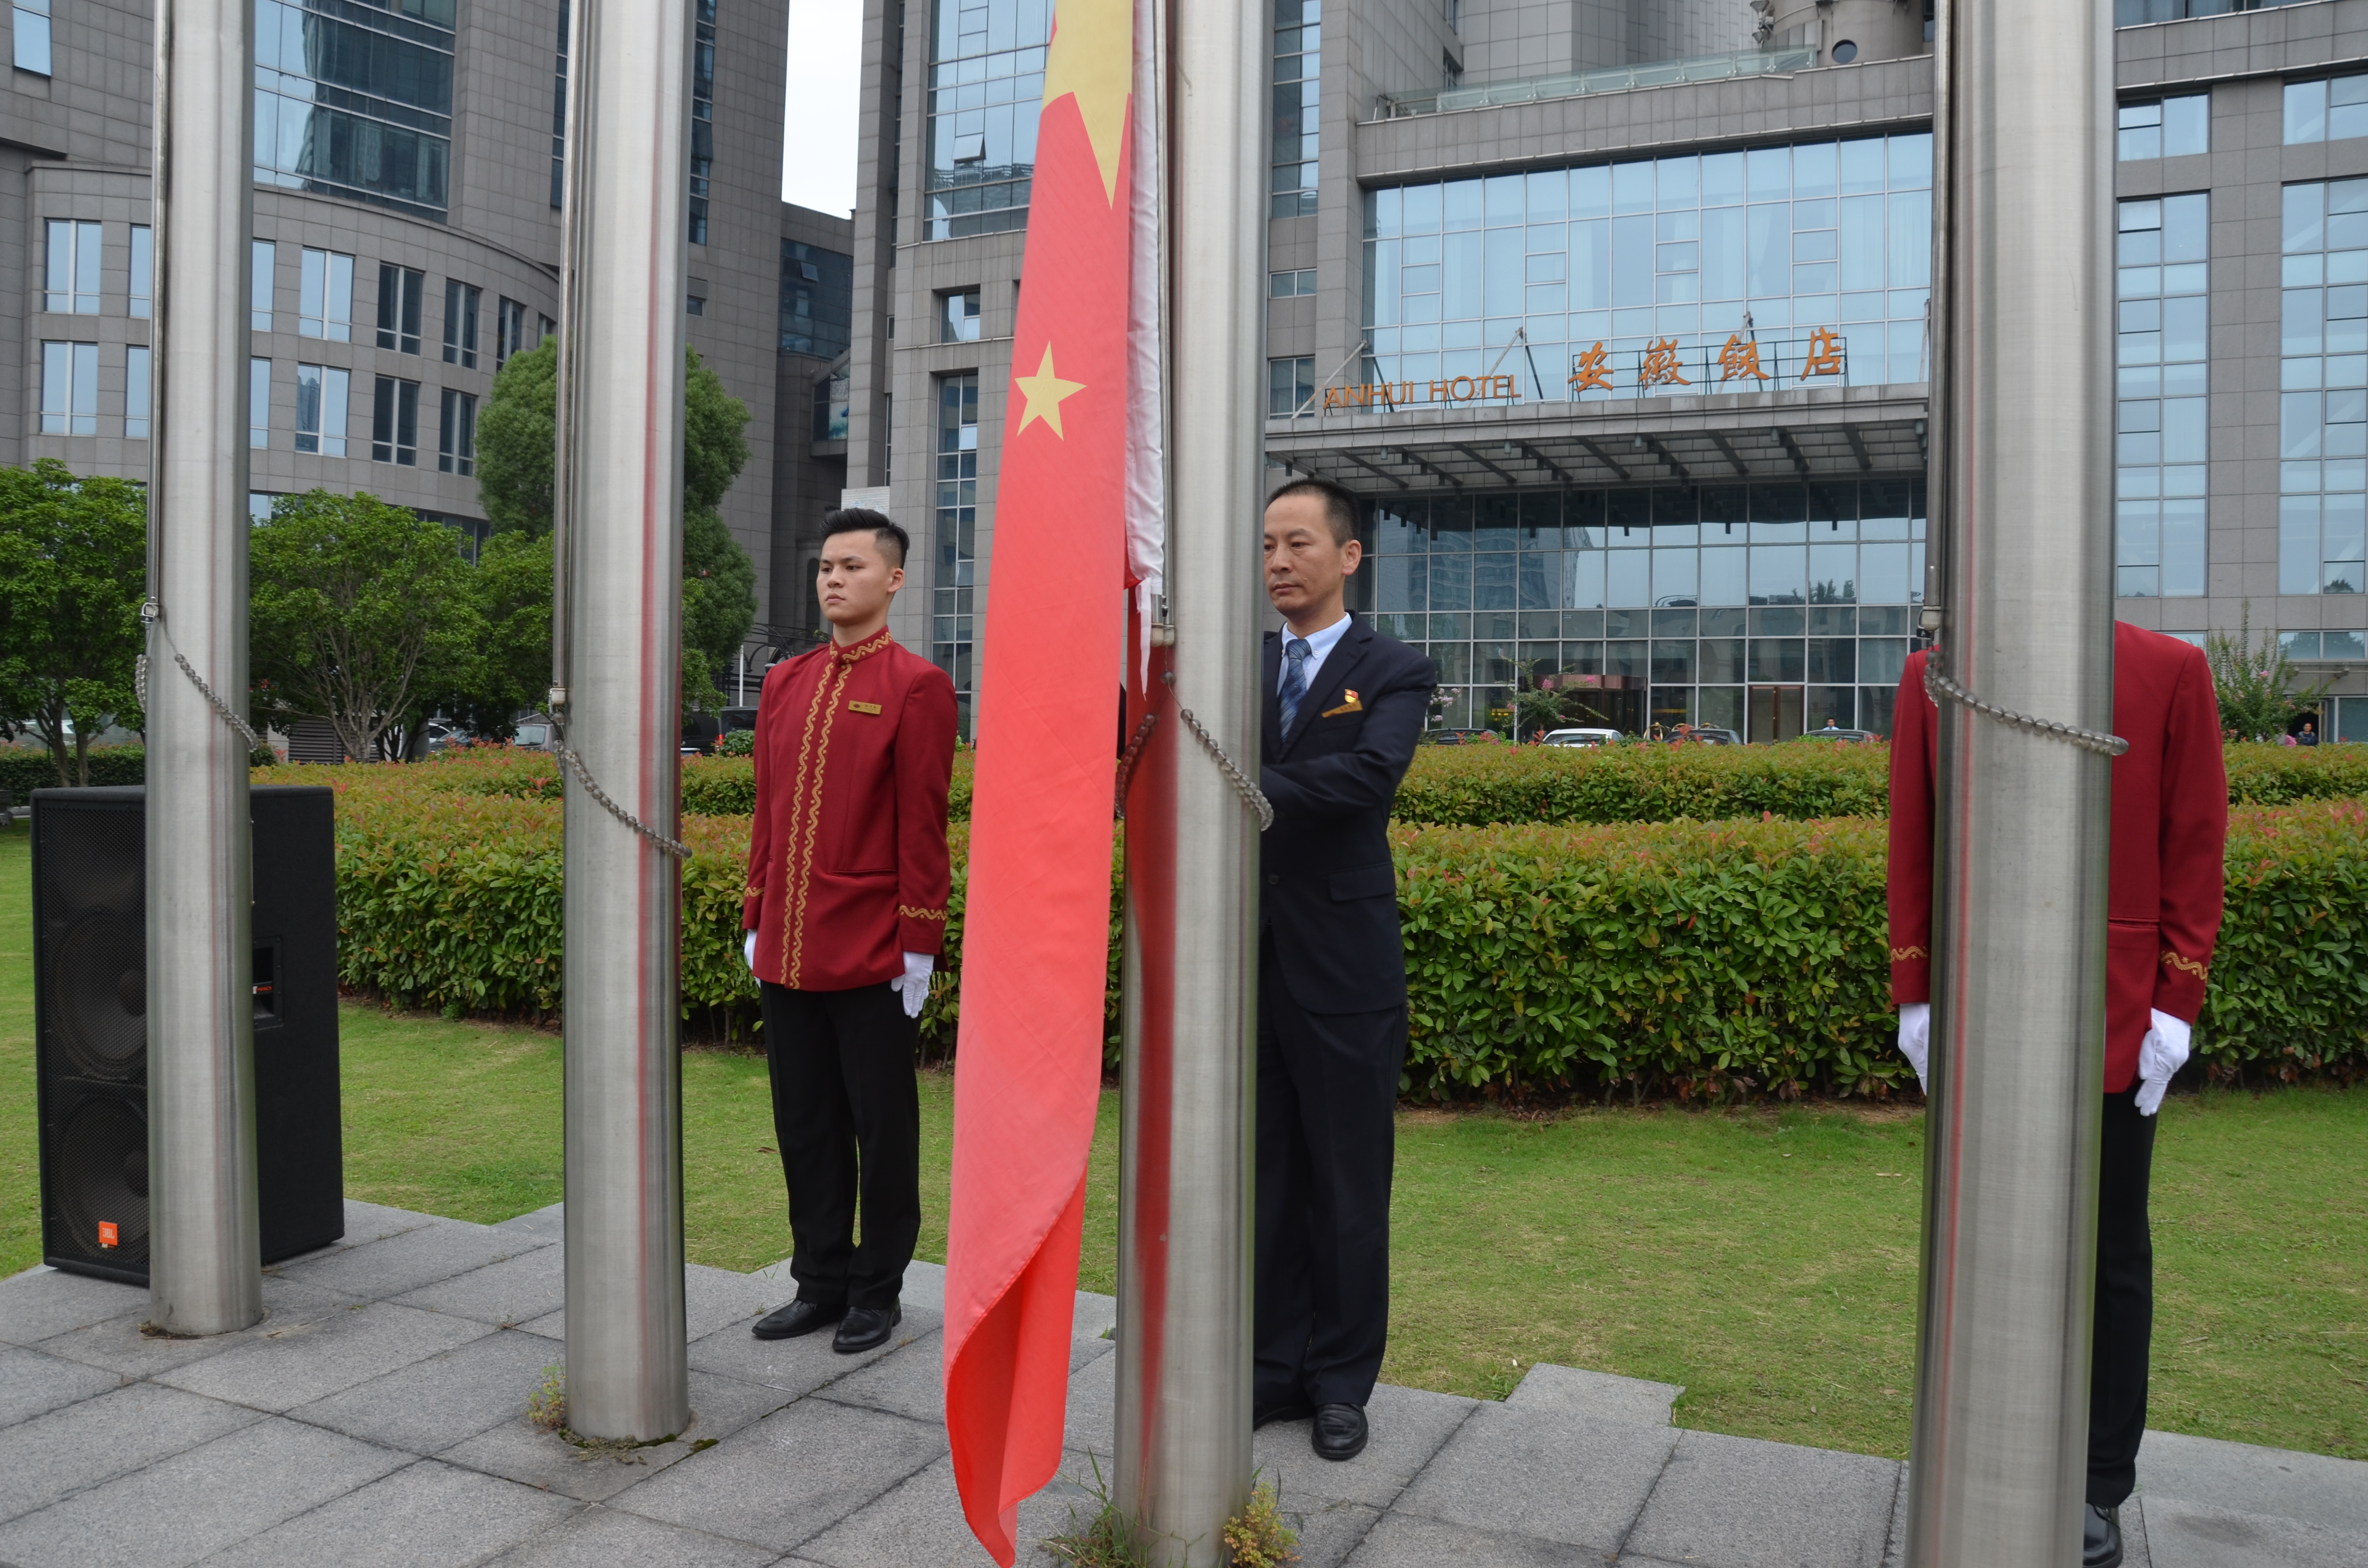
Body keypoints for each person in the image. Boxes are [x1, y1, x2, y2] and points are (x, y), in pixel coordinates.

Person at [1888, 624, 2226, 1568]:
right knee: (1981, 1246)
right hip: (1978, 996)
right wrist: (1912, 987)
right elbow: (1913, 832)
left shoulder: (2171, 669)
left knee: (2112, 1248)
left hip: (2116, 1009)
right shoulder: (1935, 672)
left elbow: (2195, 836)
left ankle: (2097, 1482)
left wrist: (2178, 998)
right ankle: (1983, 1453)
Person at [1253, 477, 1439, 1463]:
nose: (1280, 563)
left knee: (1349, 1186)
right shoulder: (1230, 667)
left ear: (1348, 556)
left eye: (1299, 544)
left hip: (1345, 971)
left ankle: (1340, 1384)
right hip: (1245, 965)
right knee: (1268, 1181)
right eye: (1268, 548)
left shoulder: (1395, 667)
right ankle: (1272, 1369)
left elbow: (1366, 778)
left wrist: (1237, 781)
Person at [741, 510, 957, 1354]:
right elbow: (768, 812)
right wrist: (757, 911)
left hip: (872, 948)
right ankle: (818, 1280)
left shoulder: (916, 686)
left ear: (893, 580)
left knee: (882, 1127)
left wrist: (919, 943)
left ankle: (879, 1289)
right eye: (826, 566)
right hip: (788, 945)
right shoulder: (786, 681)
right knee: (805, 1121)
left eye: (854, 566)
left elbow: (922, 824)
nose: (834, 579)